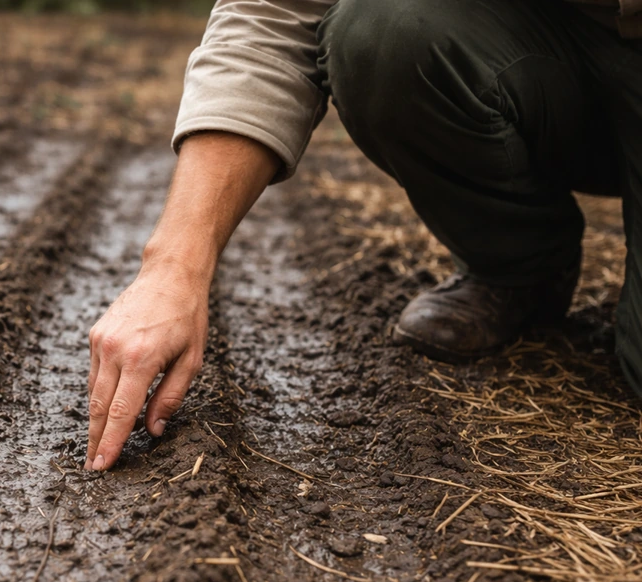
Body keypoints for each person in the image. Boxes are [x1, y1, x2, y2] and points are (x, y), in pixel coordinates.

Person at [85, 0, 642, 472]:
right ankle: (522, 269)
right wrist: (172, 265)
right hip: (547, 50)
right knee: (383, 29)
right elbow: (276, 11)